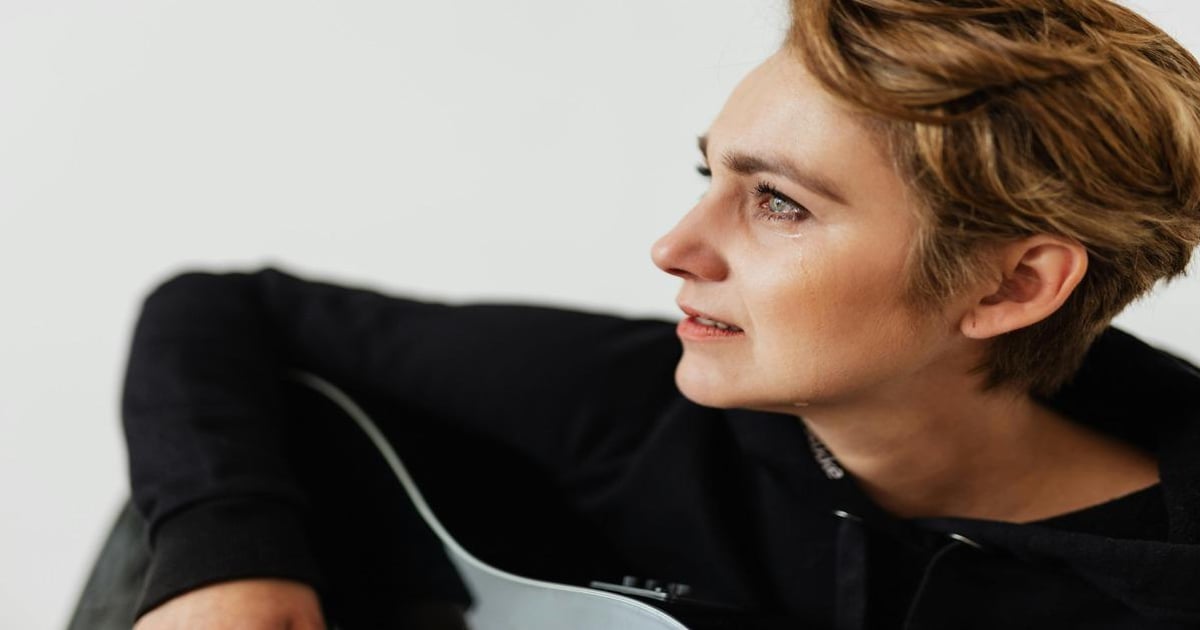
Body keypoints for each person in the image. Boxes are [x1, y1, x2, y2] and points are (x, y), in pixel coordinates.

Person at [123, 1, 1200, 628]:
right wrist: (225, 558)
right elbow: (221, 314)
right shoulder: (641, 409)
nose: (676, 248)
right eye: (708, 174)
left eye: (779, 202)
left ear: (1013, 286)